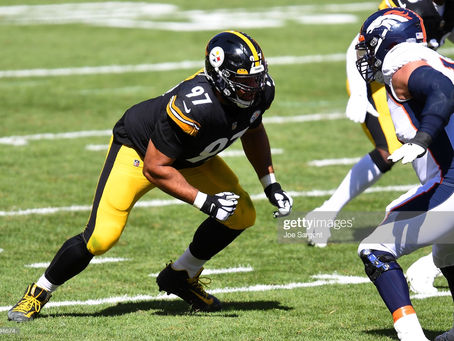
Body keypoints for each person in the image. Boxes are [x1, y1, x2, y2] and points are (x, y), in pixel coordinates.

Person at [6, 30, 293, 322]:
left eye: (257, 78)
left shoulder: (260, 93)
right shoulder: (194, 105)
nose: (254, 88)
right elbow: (155, 168)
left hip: (191, 158)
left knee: (242, 214)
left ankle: (180, 276)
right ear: (219, 77)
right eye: (244, 82)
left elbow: (253, 129)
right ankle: (38, 292)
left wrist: (270, 184)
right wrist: (207, 203)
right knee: (101, 238)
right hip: (140, 152)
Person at [306, 0, 454, 249]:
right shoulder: (408, 2)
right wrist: (358, 93)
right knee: (390, 149)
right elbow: (361, 43)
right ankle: (326, 213)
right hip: (382, 76)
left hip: (419, 76)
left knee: (432, 154)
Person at [353, 7, 454, 341]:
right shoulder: (433, 59)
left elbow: (442, 91)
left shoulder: (402, 64)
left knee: (374, 247)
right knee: (447, 250)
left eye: (369, 47)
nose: (366, 56)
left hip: (451, 183)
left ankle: (411, 336)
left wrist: (424, 137)